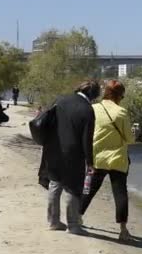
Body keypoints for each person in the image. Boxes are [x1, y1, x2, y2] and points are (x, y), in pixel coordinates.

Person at [38, 81, 100, 235]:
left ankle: (53, 221)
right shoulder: (87, 109)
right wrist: (90, 161)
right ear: (93, 95)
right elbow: (87, 138)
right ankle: (73, 225)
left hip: (53, 148)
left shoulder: (60, 100)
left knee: (55, 183)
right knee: (73, 187)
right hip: (74, 153)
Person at [79, 80, 135, 241]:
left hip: (97, 157)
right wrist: (133, 133)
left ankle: (78, 217)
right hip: (118, 159)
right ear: (119, 96)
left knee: (89, 190)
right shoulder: (121, 112)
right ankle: (123, 230)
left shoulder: (93, 109)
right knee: (120, 193)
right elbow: (130, 139)